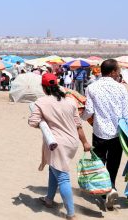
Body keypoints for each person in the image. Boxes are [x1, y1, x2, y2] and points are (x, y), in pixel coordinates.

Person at [29, 73, 91, 220]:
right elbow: (78, 125)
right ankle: (49, 200)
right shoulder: (70, 101)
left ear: (44, 88)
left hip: (56, 143)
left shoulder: (41, 102)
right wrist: (85, 142)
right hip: (72, 142)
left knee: (63, 177)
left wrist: (43, 122)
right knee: (54, 169)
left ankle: (70, 214)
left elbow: (32, 121)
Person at [81, 59, 128, 210]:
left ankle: (103, 193)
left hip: (99, 131)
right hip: (117, 133)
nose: (119, 72)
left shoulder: (92, 87)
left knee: (99, 163)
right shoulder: (121, 88)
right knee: (113, 163)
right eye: (118, 70)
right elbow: (126, 113)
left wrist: (80, 118)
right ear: (113, 72)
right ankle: (112, 187)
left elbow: (89, 111)